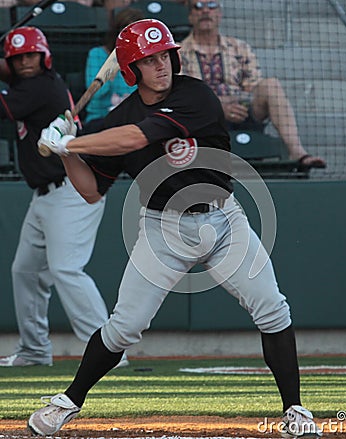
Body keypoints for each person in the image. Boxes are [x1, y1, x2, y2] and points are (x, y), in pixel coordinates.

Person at [27, 19, 322, 438]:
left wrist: (70, 142)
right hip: (163, 230)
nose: (162, 65)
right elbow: (92, 191)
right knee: (124, 327)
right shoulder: (117, 117)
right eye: (149, 60)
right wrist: (66, 154)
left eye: (164, 54)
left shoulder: (195, 95)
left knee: (273, 308)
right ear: (132, 69)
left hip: (224, 220)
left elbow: (134, 139)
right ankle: (67, 403)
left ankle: (295, 409)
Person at [0, 26, 128, 368]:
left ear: (44, 57)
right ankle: (34, 350)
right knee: (24, 271)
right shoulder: (27, 85)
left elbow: (4, 108)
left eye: (30, 55)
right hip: (42, 196)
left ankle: (109, 356)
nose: (25, 62)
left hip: (71, 190)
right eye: (18, 58)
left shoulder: (43, 86)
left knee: (66, 269)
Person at [179, 0, 326, 169]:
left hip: (242, 110)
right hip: (203, 118)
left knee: (271, 85)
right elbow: (184, 93)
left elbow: (252, 86)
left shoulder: (239, 47)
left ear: (220, 14)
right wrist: (218, 106)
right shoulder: (179, 52)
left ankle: (298, 152)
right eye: (198, 7)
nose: (205, 11)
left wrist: (232, 102)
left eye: (211, 6)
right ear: (190, 16)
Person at [84, 7, 143, 128]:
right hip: (101, 118)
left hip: (134, 121)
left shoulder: (144, 60)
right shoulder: (97, 54)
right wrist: (111, 69)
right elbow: (95, 94)